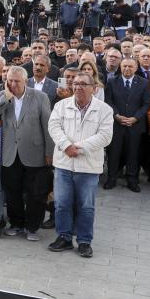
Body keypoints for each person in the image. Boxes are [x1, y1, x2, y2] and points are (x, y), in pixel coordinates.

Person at [47, 72, 114, 257]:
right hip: (63, 164)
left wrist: (79, 148)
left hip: (88, 166)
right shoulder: (61, 105)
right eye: (75, 84)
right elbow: (54, 127)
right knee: (61, 204)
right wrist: (66, 145)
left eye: (83, 84)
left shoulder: (105, 110)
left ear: (94, 88)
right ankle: (64, 237)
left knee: (86, 206)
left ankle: (84, 241)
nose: (78, 87)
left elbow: (105, 136)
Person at [0, 66, 54, 239]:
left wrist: (49, 152)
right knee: (12, 191)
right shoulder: (1, 96)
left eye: (17, 81)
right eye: (10, 80)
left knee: (35, 193)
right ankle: (16, 224)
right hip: (9, 153)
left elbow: (48, 126)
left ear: (25, 81)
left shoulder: (40, 97)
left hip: (34, 152)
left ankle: (32, 227)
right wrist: (5, 99)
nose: (13, 84)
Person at [105, 58, 150, 192]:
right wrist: (116, 115)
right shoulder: (112, 81)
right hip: (116, 124)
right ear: (120, 67)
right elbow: (108, 101)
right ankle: (111, 178)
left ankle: (132, 179)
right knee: (114, 153)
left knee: (133, 153)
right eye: (124, 66)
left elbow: (146, 104)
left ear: (136, 68)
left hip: (135, 125)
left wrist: (135, 118)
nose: (127, 69)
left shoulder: (144, 83)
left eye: (130, 66)